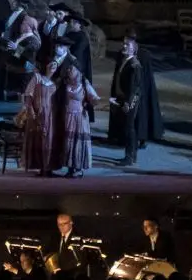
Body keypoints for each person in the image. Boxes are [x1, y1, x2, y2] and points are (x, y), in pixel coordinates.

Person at [107, 34, 162, 166]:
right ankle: (130, 156)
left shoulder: (134, 65)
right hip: (123, 99)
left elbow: (134, 88)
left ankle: (130, 156)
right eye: (124, 44)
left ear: (133, 49)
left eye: (127, 45)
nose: (124, 46)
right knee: (127, 128)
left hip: (130, 102)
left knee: (129, 128)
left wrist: (128, 103)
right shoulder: (125, 61)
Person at [48, 56, 98, 177]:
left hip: (79, 118)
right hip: (67, 117)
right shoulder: (65, 83)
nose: (69, 71)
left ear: (78, 71)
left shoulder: (84, 84)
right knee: (68, 143)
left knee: (78, 143)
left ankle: (78, 169)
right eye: (69, 69)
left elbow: (94, 97)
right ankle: (70, 168)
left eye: (72, 69)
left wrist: (92, 102)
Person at [19, 55, 56, 176]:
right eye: (50, 66)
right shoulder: (37, 78)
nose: (52, 68)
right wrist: (32, 112)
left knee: (48, 141)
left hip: (50, 115)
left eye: (54, 66)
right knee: (38, 140)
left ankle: (48, 167)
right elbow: (28, 95)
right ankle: (40, 167)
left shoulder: (54, 82)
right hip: (37, 113)